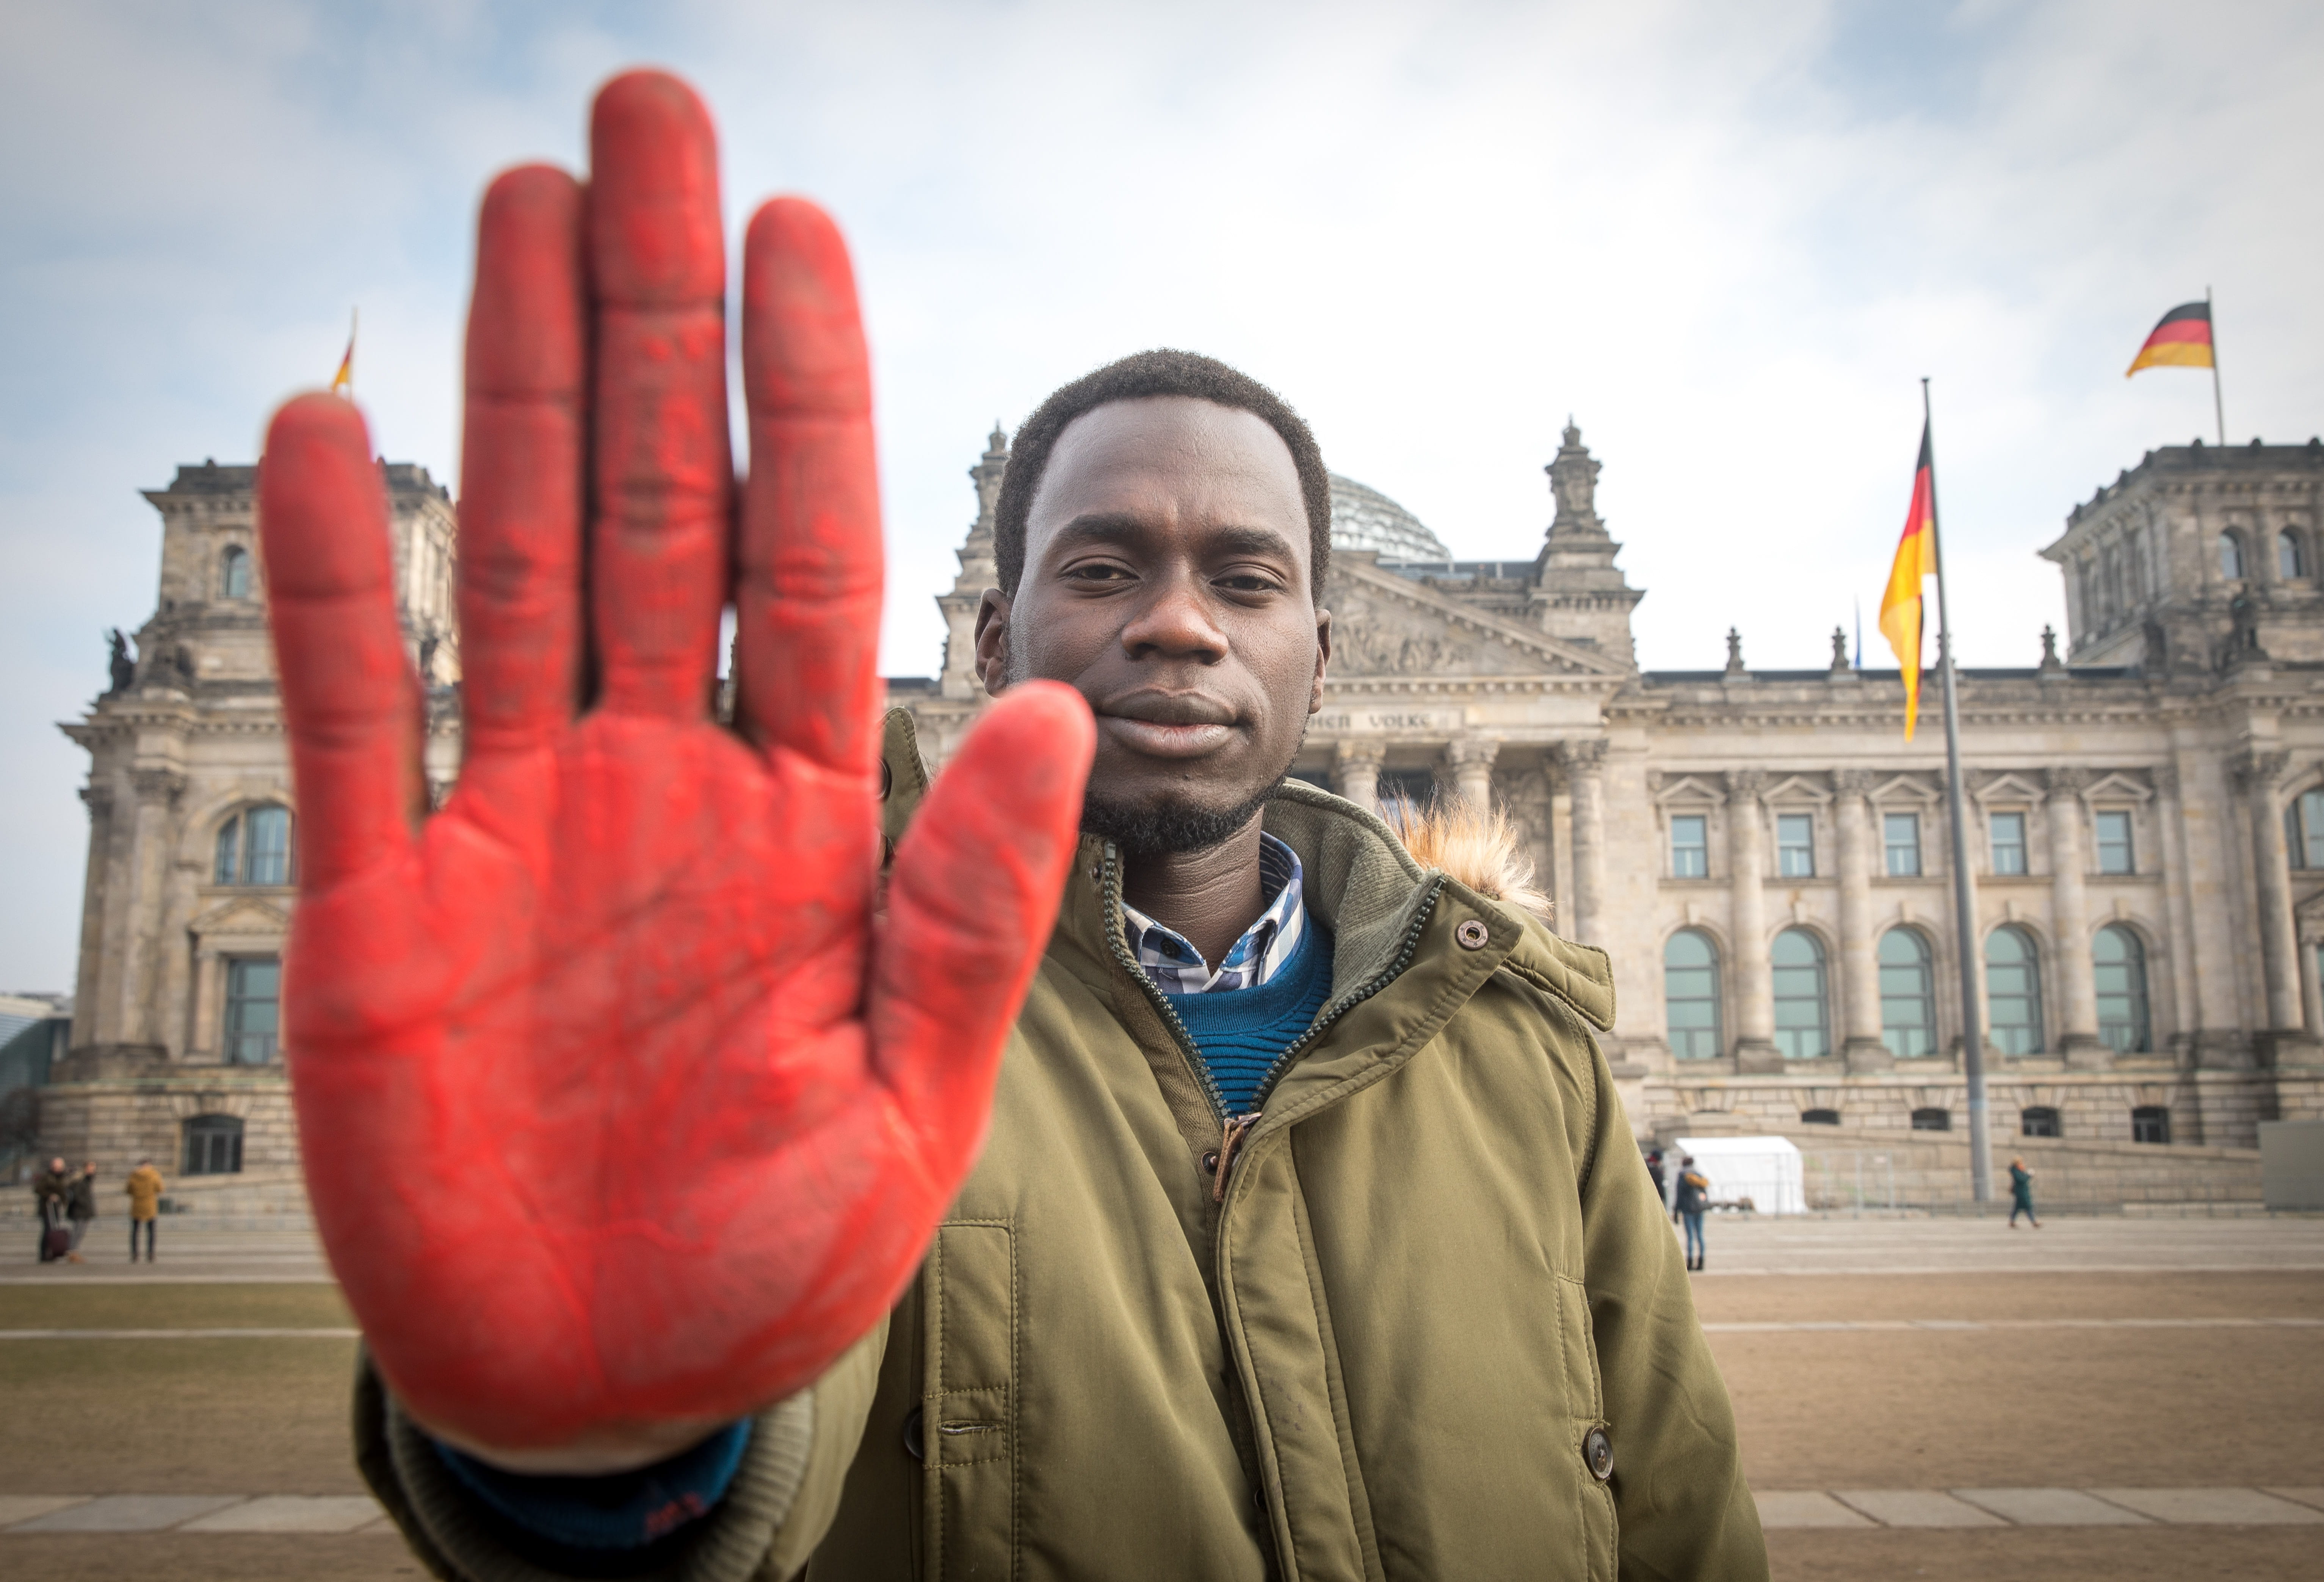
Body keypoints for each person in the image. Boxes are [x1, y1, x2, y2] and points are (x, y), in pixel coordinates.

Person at [258, 70, 1766, 1580]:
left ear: (1328, 642)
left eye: (1245, 582)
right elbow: (770, 1472)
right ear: (987, 642)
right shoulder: (826, 1021)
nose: (1179, 623)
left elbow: (1678, 1511)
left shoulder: (1528, 1051)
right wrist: (617, 1449)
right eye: (1104, 569)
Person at [1677, 1155, 1712, 1272]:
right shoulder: (1698, 1175)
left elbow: (1680, 1195)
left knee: (1690, 1237)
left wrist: (1677, 1210)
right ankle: (1701, 1262)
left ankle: (1690, 1262)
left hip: (1688, 1209)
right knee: (1700, 1236)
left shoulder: (1683, 1176)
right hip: (1699, 1209)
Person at [32, 1156, 70, 1263]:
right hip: (47, 1209)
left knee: (55, 1231)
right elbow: (38, 1189)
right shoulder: (47, 1177)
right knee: (48, 1231)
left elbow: (63, 1192)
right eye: (56, 1167)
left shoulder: (63, 1178)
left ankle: (54, 1251)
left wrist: (64, 1202)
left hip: (57, 1209)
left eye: (60, 1167)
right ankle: (44, 1253)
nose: (58, 1169)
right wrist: (50, 1195)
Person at [125, 1158, 163, 1262]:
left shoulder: (133, 1176)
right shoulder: (154, 1175)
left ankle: (135, 1254)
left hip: (137, 1206)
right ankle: (151, 1253)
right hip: (150, 1206)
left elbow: (128, 1190)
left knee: (135, 1232)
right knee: (151, 1232)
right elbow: (160, 1189)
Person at [66, 1162, 98, 1257]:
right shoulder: (80, 1180)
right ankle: (71, 1251)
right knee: (78, 1231)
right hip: (79, 1210)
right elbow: (77, 1195)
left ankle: (73, 1250)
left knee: (80, 1231)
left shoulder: (87, 1179)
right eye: (91, 1168)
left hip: (84, 1210)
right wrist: (86, 1205)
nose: (93, 1171)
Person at [2008, 1156, 2040, 1228]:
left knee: (2017, 1208)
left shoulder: (2018, 1171)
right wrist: (2029, 1175)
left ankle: (2012, 1221)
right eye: (2021, 1163)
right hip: (2021, 1192)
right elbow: (2021, 1180)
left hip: (2022, 1192)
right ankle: (2034, 1222)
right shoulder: (2016, 1171)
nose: (2022, 1164)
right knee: (2028, 1207)